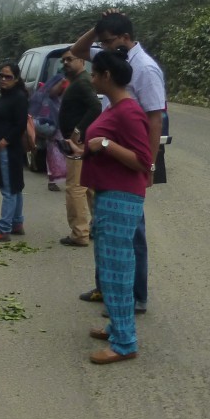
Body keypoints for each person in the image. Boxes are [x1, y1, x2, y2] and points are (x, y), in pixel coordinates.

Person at [72, 10, 167, 313]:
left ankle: (134, 296)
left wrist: (149, 166)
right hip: (110, 162)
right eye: (102, 41)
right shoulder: (115, 59)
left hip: (131, 160)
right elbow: (78, 51)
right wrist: (98, 26)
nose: (104, 47)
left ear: (126, 38)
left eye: (109, 41)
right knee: (105, 232)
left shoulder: (145, 69)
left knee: (131, 234)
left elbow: (154, 120)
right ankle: (107, 288)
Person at [65, 49, 152, 364]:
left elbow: (143, 160)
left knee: (117, 270)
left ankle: (125, 343)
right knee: (110, 265)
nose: (91, 77)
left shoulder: (129, 111)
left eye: (95, 73)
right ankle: (118, 327)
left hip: (122, 197)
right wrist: (84, 149)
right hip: (109, 194)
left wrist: (103, 144)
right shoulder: (115, 107)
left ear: (107, 77)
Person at [57, 49, 102, 247]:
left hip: (79, 144)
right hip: (81, 143)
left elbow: (96, 107)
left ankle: (79, 233)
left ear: (82, 61)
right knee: (89, 187)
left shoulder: (83, 82)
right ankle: (96, 228)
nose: (65, 62)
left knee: (75, 188)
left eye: (69, 59)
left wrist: (77, 131)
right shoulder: (78, 80)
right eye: (63, 60)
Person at [0, 62, 29, 242]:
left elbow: (20, 124)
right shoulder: (7, 95)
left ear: (16, 79)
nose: (3, 79)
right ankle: (17, 222)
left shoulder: (18, 97)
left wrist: (5, 140)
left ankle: (3, 229)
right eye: (1, 75)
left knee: (8, 189)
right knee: (15, 187)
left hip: (8, 150)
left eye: (8, 77)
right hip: (4, 149)